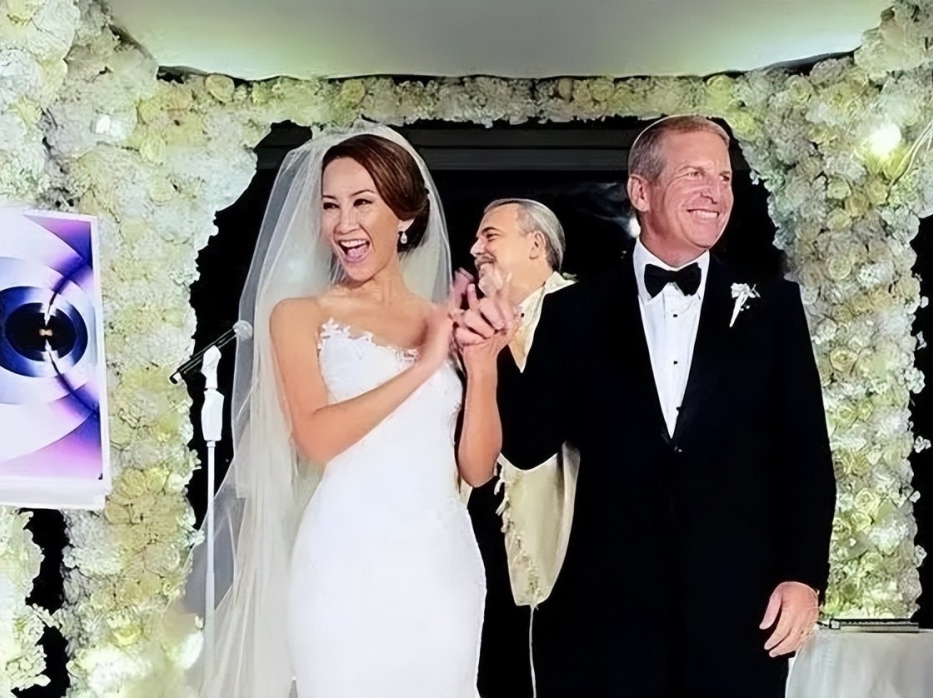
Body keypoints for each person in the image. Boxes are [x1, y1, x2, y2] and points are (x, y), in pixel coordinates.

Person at [455, 115, 837, 697]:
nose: (716, 192)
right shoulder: (574, 311)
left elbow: (805, 454)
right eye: (694, 174)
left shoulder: (774, 307)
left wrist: (804, 576)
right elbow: (528, 445)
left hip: (740, 613)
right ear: (641, 190)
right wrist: (491, 356)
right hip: (609, 619)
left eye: (724, 178)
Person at [183, 124, 517, 697]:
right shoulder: (299, 315)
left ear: (405, 215)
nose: (343, 224)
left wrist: (482, 367)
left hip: (442, 568)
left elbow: (478, 470)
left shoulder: (442, 319)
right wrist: (421, 367)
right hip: (343, 562)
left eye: (362, 203)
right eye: (330, 206)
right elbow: (316, 438)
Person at [463, 198, 575, 698]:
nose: (475, 248)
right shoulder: (465, 320)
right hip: (476, 514)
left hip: (558, 527)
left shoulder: (578, 311)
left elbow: (534, 431)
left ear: (535, 245)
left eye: (490, 236)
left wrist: (498, 337)